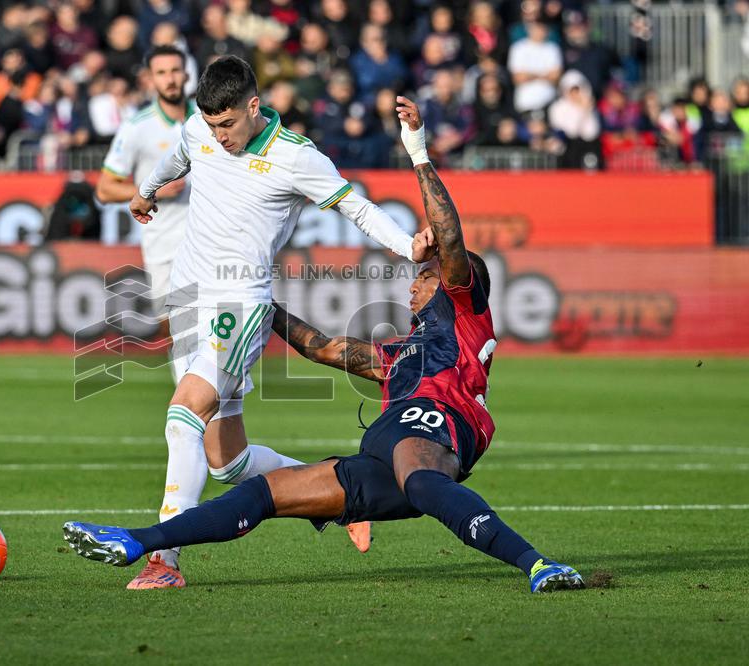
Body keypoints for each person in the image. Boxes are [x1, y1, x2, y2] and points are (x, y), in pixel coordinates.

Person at [64, 96, 585, 594]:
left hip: (440, 422)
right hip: (383, 445)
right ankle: (138, 541)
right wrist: (267, 311)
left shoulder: (465, 312)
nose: (414, 284)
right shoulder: (402, 353)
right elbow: (325, 349)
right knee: (261, 492)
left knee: (423, 483)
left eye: (423, 277)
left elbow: (449, 241)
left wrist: (419, 152)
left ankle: (538, 564)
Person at [118, 55, 417, 589]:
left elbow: (359, 209)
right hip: (187, 299)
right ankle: (337, 492)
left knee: (181, 414)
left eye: (228, 124)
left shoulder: (297, 157)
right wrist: (146, 193)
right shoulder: (199, 128)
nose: (220, 135)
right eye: (212, 125)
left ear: (253, 107)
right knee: (226, 466)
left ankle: (164, 561)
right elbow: (178, 157)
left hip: (241, 304)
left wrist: (409, 245)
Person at [96, 45, 193, 338]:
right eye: (161, 73)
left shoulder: (207, 120)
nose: (170, 79)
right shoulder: (137, 127)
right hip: (162, 239)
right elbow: (104, 189)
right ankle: (188, 383)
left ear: (187, 74)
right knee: (174, 327)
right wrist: (151, 192)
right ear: (150, 80)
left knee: (220, 324)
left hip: (209, 236)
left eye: (175, 70)